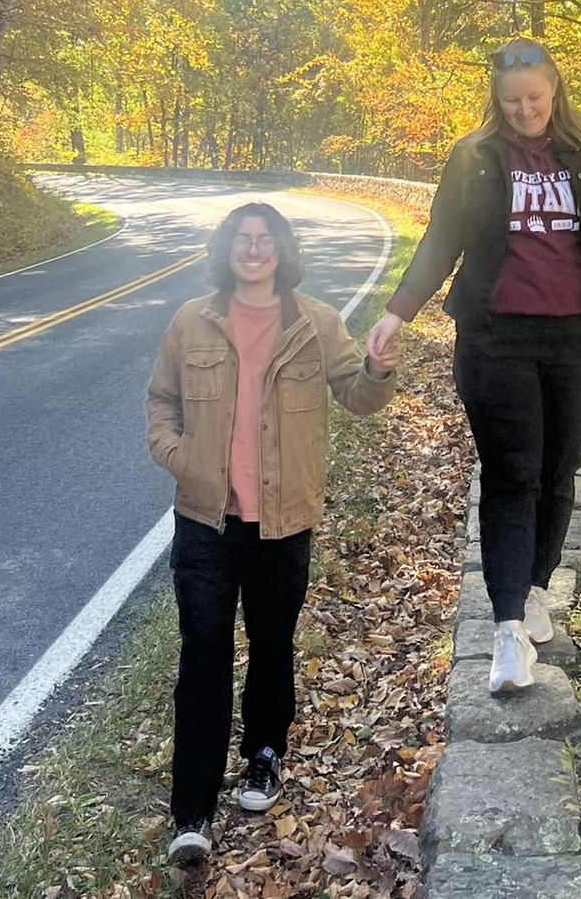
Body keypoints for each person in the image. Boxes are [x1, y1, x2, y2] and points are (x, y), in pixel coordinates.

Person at [365, 40, 581, 695]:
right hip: (496, 337)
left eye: (535, 98)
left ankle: (534, 586)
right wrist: (397, 312)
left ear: (555, 89)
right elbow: (442, 238)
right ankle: (506, 630)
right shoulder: (474, 158)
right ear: (495, 100)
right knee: (511, 473)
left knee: (558, 471)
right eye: (512, 101)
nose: (525, 111)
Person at [146, 202, 398, 866]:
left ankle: (263, 756)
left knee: (271, 644)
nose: (253, 250)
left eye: (264, 241)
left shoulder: (314, 324)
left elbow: (359, 396)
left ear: (282, 251)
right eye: (242, 240)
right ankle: (192, 808)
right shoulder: (190, 322)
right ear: (226, 249)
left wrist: (377, 367)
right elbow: (161, 405)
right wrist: (185, 460)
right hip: (205, 522)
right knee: (202, 656)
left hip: (283, 523)